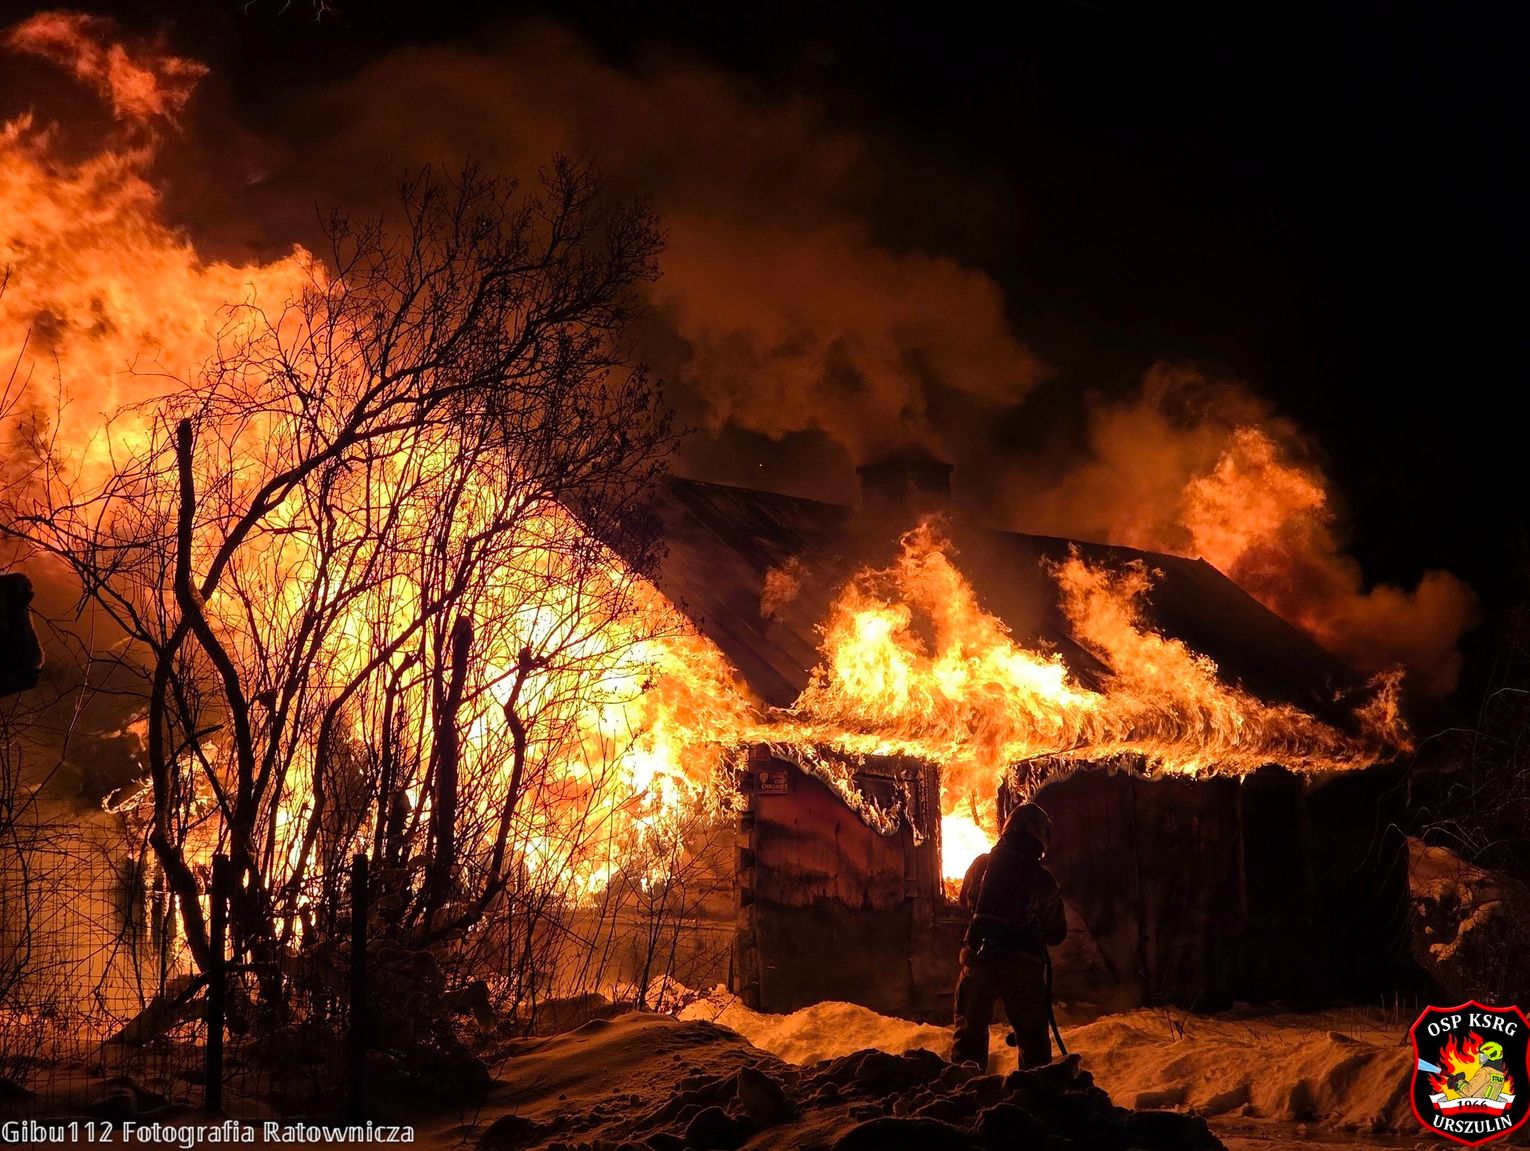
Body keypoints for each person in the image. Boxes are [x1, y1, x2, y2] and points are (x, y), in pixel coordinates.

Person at [951, 801, 1067, 1070]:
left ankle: (964, 1095)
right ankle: (1033, 1097)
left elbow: (964, 901)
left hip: (978, 961)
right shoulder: (1042, 880)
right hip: (1022, 968)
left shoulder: (982, 865)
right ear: (1040, 837)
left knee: (968, 1035)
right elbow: (1056, 933)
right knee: (1033, 1040)